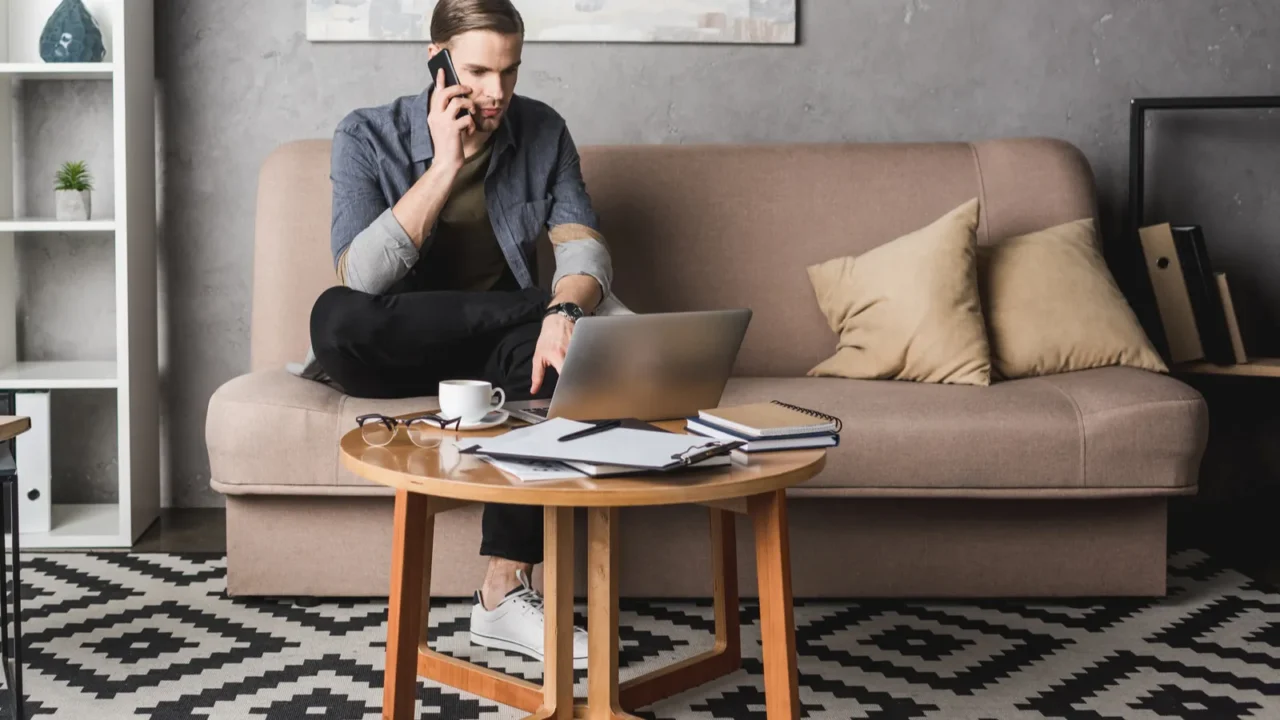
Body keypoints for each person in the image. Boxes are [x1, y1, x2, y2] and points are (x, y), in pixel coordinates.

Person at [299, 0, 626, 667]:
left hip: (494, 364)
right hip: (395, 345)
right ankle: (534, 310)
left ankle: (504, 596)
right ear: (437, 59)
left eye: (510, 71)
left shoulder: (542, 130)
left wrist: (562, 315)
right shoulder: (366, 134)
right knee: (335, 315)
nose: (497, 92)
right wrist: (444, 165)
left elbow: (583, 247)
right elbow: (362, 277)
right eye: (477, 71)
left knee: (558, 361)